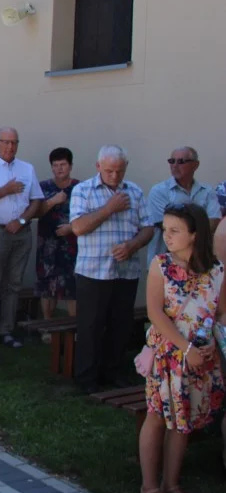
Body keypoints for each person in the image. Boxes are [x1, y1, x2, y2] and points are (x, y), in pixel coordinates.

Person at [138, 204, 223, 493]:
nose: (167, 236)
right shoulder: (160, 265)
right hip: (169, 356)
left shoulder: (216, 271)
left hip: (200, 358)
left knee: (183, 420)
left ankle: (172, 484)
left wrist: (213, 346)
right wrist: (186, 349)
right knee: (158, 416)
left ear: (195, 234)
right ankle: (150, 488)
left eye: (174, 230)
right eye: (165, 229)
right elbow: (155, 313)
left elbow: (220, 313)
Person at [70, 145, 153, 393]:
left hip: (125, 270)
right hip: (93, 271)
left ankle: (114, 373)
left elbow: (148, 228)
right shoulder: (83, 190)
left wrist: (133, 244)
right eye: (109, 171)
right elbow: (78, 227)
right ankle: (87, 379)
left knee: (120, 324)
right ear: (98, 167)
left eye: (119, 171)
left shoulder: (135, 192)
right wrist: (109, 208)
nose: (114, 176)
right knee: (91, 326)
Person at [0, 127, 44, 351]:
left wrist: (22, 221)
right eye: (6, 142)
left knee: (13, 284)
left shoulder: (27, 168)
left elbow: (36, 201)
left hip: (21, 233)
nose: (10, 147)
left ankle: (6, 330)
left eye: (14, 142)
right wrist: (5, 190)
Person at [146, 147, 220, 263]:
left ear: (195, 165)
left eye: (181, 162)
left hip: (200, 262)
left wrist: (183, 223)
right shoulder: (159, 191)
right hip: (166, 262)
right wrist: (200, 222)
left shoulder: (207, 191)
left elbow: (214, 222)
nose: (175, 165)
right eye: (172, 161)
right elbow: (166, 225)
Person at [35, 147, 80, 322]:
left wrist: (72, 227)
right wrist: (54, 200)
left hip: (72, 245)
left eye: (63, 164)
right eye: (56, 165)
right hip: (47, 244)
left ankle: (74, 329)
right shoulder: (43, 187)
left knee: (73, 287)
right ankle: (47, 325)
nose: (59, 168)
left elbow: (87, 216)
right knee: (47, 287)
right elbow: (35, 212)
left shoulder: (80, 188)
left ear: (70, 166)